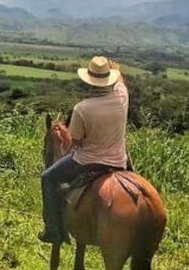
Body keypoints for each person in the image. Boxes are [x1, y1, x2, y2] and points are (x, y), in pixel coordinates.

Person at [38, 56, 130, 245]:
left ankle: (52, 229)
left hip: (87, 162)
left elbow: (77, 142)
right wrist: (114, 68)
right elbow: (120, 80)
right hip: (119, 161)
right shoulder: (122, 95)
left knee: (47, 177)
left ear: (89, 79)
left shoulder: (82, 108)